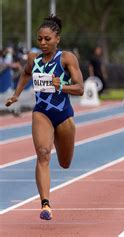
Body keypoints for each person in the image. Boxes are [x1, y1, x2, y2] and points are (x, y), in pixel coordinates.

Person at [4, 15, 84, 220]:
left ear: (57, 38)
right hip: (42, 112)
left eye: (47, 39)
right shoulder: (33, 58)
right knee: (43, 153)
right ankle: (45, 204)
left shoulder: (66, 58)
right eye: (40, 39)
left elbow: (80, 88)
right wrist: (16, 95)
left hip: (64, 114)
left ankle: (60, 148)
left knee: (65, 163)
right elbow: (25, 73)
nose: (43, 43)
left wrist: (62, 86)